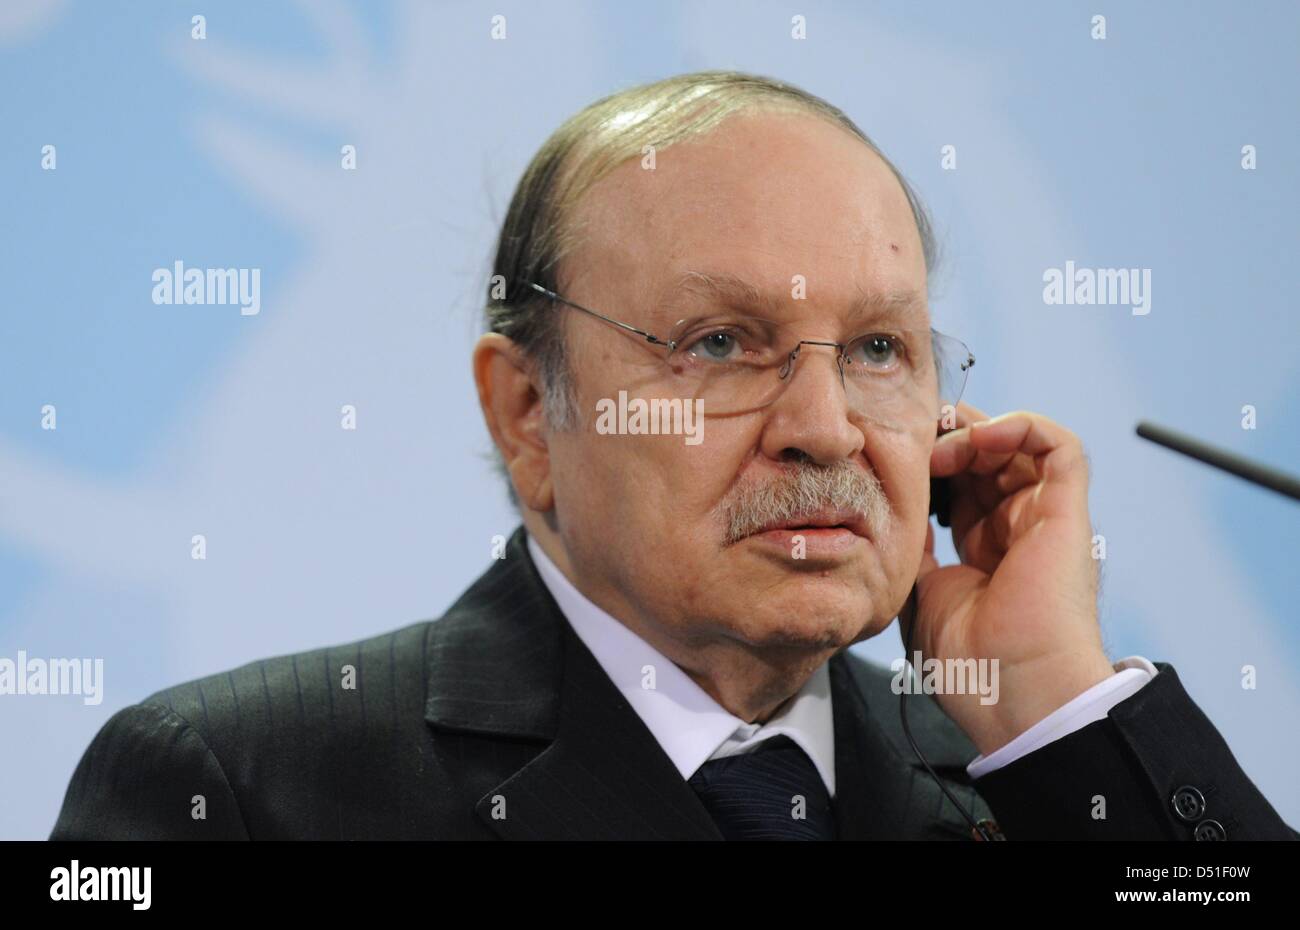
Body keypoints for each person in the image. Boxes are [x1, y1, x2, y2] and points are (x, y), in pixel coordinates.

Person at [50, 71, 1296, 840]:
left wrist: (1057, 708)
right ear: (531, 415)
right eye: (719, 342)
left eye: (875, 347)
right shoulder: (246, 785)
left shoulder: (1028, 775)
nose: (822, 425)